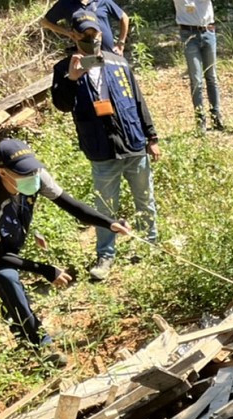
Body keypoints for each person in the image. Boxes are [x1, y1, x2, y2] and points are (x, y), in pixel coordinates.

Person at [0, 139, 129, 365]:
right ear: (2, 172)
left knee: (3, 282)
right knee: (6, 277)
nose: (32, 176)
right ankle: (41, 345)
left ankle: (23, 332)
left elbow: (72, 205)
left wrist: (109, 223)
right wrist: (46, 270)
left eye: (32, 169)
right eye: (23, 173)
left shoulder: (34, 175)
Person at [50, 11, 161, 282]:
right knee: (104, 208)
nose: (91, 39)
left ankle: (150, 242)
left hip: (132, 142)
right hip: (101, 149)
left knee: (144, 198)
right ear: (75, 36)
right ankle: (105, 255)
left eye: (95, 33)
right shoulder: (64, 68)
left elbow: (138, 101)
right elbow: (62, 105)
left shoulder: (118, 62)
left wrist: (152, 137)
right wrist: (73, 79)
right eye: (85, 35)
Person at [173, 0, 224, 133]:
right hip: (188, 34)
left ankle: (216, 116)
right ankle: (200, 120)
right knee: (196, 80)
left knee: (211, 76)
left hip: (208, 31)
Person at [41, 0, 129, 57]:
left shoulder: (103, 1)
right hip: (85, 54)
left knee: (113, 79)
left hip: (108, 52)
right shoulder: (65, 3)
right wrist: (67, 33)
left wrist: (121, 43)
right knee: (92, 78)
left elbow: (124, 17)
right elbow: (45, 22)